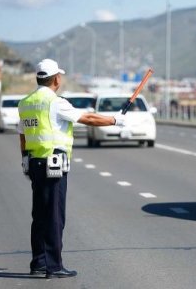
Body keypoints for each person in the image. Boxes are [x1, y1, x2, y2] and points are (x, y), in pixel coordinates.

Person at [17, 59, 125, 279]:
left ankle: (38, 262)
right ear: (56, 78)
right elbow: (88, 118)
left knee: (39, 214)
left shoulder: (26, 102)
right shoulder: (55, 102)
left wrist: (25, 159)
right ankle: (54, 266)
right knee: (55, 215)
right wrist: (115, 120)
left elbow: (22, 135)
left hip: (34, 162)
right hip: (53, 164)